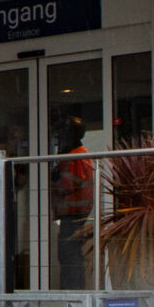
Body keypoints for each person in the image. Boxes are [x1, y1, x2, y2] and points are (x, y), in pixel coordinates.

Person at [52, 116, 93, 290]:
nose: (61, 137)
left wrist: (54, 178)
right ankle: (72, 291)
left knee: (69, 254)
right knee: (70, 254)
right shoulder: (78, 155)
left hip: (73, 214)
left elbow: (66, 186)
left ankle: (72, 291)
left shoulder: (75, 157)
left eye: (63, 132)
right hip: (74, 214)